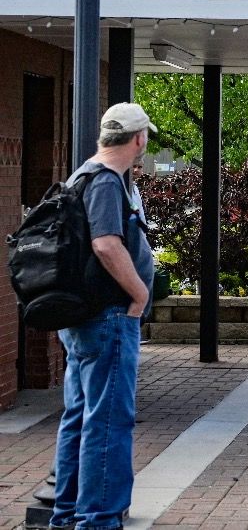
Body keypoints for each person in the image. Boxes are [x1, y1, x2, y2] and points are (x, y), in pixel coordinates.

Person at [50, 103, 156, 530]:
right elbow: (107, 244)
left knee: (80, 416)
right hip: (108, 316)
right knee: (109, 419)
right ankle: (97, 518)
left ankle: (68, 513)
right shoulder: (108, 182)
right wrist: (139, 293)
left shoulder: (82, 174)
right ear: (138, 139)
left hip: (83, 317)